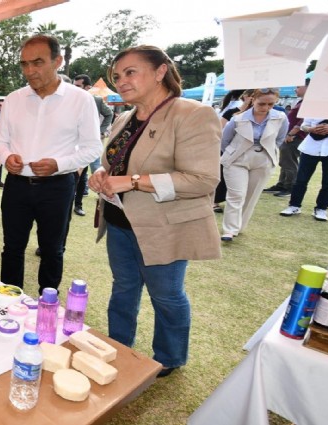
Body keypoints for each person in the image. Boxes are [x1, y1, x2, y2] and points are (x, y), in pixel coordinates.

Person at [88, 45, 221, 377]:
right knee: (123, 289)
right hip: (120, 222)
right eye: (117, 76)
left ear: (161, 71)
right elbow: (117, 165)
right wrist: (103, 175)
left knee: (166, 295)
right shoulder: (123, 118)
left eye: (130, 72)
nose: (121, 81)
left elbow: (202, 180)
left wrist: (132, 181)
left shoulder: (192, 114)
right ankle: (118, 344)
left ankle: (170, 356)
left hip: (165, 227)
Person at [0, 34, 102, 294]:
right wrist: (7, 157)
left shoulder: (80, 99)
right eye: (24, 64)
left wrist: (59, 163)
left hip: (57, 186)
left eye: (38, 62)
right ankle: (9, 300)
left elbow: (93, 147)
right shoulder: (14, 99)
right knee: (12, 247)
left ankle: (47, 302)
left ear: (58, 61)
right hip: (17, 185)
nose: (30, 70)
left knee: (53, 249)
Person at [220, 88, 288, 241]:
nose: (266, 107)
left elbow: (280, 139)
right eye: (262, 103)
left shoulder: (280, 117)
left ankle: (239, 226)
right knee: (236, 194)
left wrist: (268, 152)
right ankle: (229, 230)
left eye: (271, 104)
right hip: (237, 159)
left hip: (264, 158)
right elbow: (225, 140)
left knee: (252, 195)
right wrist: (233, 153)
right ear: (252, 100)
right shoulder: (237, 118)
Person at [73, 74, 114, 215]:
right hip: (70, 143)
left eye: (78, 86)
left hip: (88, 143)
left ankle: (78, 204)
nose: (75, 88)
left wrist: (100, 132)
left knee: (88, 171)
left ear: (88, 87)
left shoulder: (96, 101)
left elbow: (109, 114)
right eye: (74, 85)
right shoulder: (69, 100)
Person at [280, 118, 328, 222]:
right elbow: (303, 125)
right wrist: (311, 129)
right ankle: (294, 205)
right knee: (301, 179)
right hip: (310, 147)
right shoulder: (314, 105)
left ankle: (322, 208)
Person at [263, 79, 309, 197]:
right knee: (284, 161)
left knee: (290, 162)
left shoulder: (308, 102)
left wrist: (292, 133)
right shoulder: (301, 102)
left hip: (295, 137)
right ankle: (282, 184)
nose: (296, 89)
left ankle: (289, 187)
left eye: (298, 87)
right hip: (290, 135)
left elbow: (304, 120)